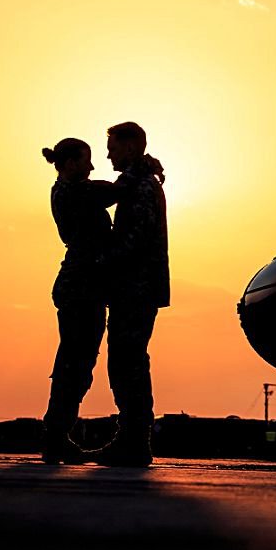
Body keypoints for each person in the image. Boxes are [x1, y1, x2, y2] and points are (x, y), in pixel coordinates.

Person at [91, 121, 169, 467]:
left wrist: (99, 262)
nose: (108, 154)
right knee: (127, 360)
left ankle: (135, 441)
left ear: (131, 147)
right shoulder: (138, 181)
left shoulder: (140, 186)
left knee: (128, 362)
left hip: (135, 288)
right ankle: (133, 438)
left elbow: (134, 241)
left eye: (113, 147)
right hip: (134, 287)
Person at [39, 138, 119, 464]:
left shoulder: (70, 190)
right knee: (75, 364)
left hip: (85, 287)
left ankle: (57, 434)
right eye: (86, 161)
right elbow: (112, 191)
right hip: (80, 288)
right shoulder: (73, 191)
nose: (91, 166)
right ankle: (56, 435)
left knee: (77, 363)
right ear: (70, 163)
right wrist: (140, 170)